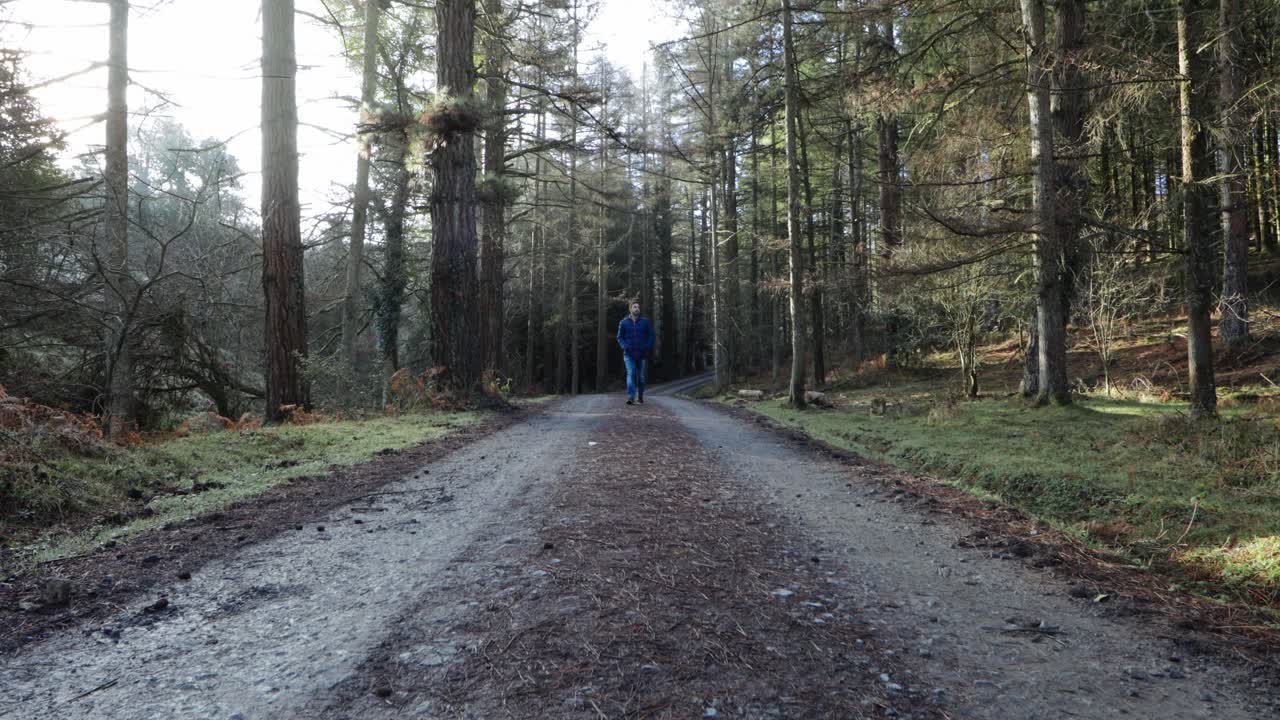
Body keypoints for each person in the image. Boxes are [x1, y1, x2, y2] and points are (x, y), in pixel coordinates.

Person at [616, 300, 654, 405]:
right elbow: (619, 337)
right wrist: (625, 346)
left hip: (642, 354)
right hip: (629, 354)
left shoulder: (645, 322)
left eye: (638, 307)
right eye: (634, 307)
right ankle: (631, 397)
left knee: (641, 377)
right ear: (630, 309)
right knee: (631, 373)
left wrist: (647, 346)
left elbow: (651, 336)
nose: (637, 308)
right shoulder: (623, 322)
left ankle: (640, 397)